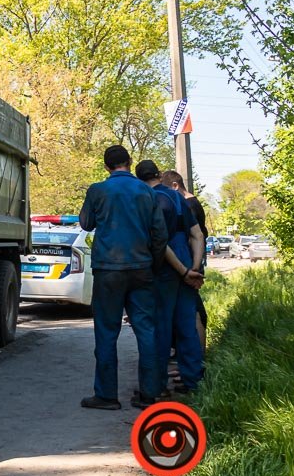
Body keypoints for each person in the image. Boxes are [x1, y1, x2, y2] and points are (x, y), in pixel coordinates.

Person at [78, 146, 203, 410]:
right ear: (129, 162)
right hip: (142, 270)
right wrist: (153, 263)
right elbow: (159, 234)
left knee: (106, 331)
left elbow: (86, 224)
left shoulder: (97, 190)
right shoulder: (147, 192)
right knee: (146, 330)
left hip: (108, 270)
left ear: (106, 167)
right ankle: (149, 394)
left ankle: (106, 395)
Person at [138, 161, 205, 398]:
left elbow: (160, 243)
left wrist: (183, 272)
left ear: (140, 179)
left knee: (161, 328)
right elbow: (196, 235)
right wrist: (194, 268)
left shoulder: (148, 200)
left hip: (166, 269)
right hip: (187, 262)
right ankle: (192, 381)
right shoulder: (178, 199)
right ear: (158, 175)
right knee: (187, 325)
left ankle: (157, 386)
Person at [161, 170, 210, 349]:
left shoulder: (188, 204)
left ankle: (197, 360)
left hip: (189, 264)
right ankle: (190, 360)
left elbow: (195, 236)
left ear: (175, 186)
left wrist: (192, 268)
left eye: (166, 189)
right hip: (190, 264)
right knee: (189, 311)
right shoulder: (190, 202)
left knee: (193, 312)